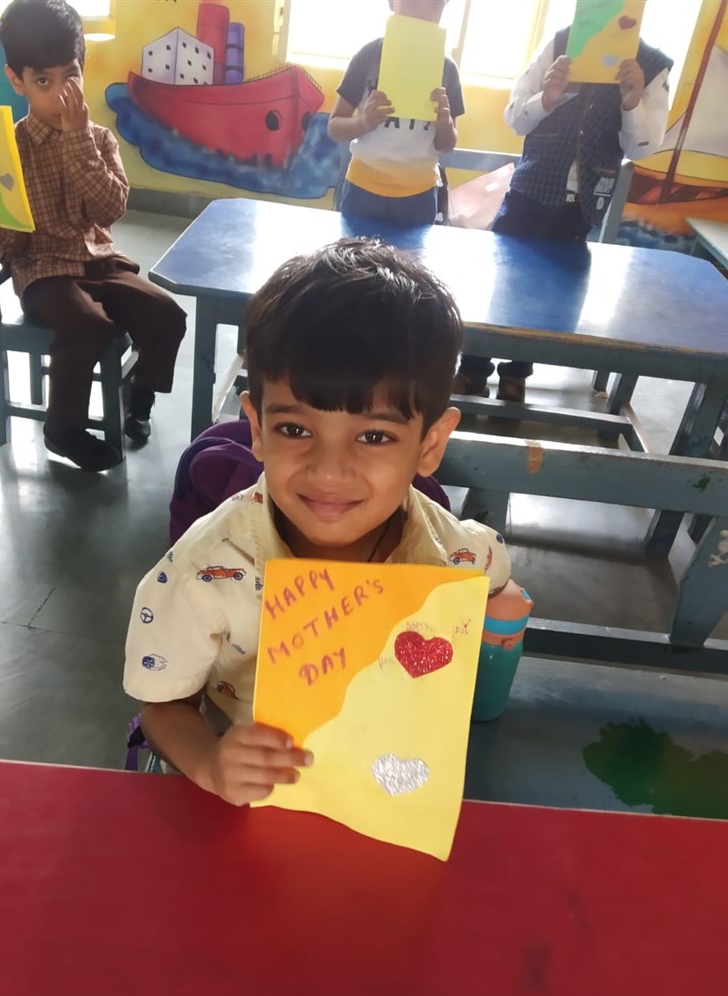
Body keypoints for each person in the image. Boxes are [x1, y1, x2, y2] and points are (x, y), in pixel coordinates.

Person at [124, 239, 513, 806]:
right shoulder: (205, 571)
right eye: (295, 430)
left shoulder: (453, 553)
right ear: (257, 428)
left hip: (381, 795)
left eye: (374, 436)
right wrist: (209, 762)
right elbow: (162, 705)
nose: (329, 471)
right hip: (249, 801)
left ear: (431, 444)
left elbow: (497, 576)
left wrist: (501, 602)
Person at [0, 0, 187, 472]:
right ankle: (62, 428)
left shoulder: (99, 139)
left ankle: (140, 395)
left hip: (98, 261)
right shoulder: (8, 150)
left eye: (71, 76)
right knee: (88, 325)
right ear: (17, 80)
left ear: (83, 69)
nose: (61, 93)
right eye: (43, 81)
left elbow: (110, 209)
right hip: (43, 272)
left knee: (166, 313)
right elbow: (11, 250)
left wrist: (77, 139)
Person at [454, 25, 672, 403]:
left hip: (582, 204)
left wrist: (632, 102)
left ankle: (517, 373)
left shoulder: (652, 65)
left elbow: (643, 148)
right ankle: (472, 369)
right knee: (501, 282)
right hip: (528, 193)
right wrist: (548, 97)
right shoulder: (560, 44)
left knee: (550, 295)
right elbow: (515, 117)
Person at [327, 0, 462, 226]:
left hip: (419, 193)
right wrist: (363, 122)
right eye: (412, 1)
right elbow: (334, 127)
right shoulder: (368, 56)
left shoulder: (447, 69)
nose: (422, 11)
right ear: (392, 2)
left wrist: (445, 125)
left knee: (410, 251)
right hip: (364, 186)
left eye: (435, 3)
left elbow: (447, 145)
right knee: (355, 249)